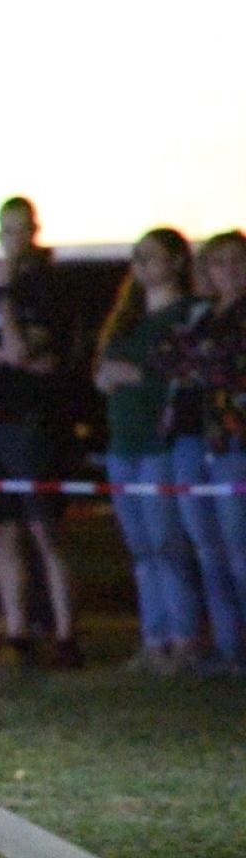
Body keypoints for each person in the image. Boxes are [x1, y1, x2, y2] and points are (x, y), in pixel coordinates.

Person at [0, 198, 82, 667]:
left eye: (20, 230)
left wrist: (7, 305)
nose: (13, 240)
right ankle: (18, 631)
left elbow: (30, 352)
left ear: (35, 232)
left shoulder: (49, 290)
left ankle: (66, 634)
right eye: (5, 231)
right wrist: (7, 354)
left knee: (46, 531)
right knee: (0, 533)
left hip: (33, 426)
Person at [93, 229, 206, 672]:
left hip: (161, 444)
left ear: (178, 261)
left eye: (152, 256)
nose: (141, 265)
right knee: (142, 549)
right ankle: (153, 639)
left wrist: (135, 375)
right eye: (136, 257)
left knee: (168, 544)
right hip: (124, 443)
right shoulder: (129, 320)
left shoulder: (188, 316)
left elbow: (189, 378)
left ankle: (184, 639)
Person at [153, 229, 246, 673]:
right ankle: (228, 647)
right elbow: (169, 356)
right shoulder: (201, 316)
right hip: (194, 442)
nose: (229, 270)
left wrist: (202, 362)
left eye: (237, 261)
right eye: (220, 262)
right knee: (207, 548)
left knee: (239, 546)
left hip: (234, 443)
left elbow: (221, 363)